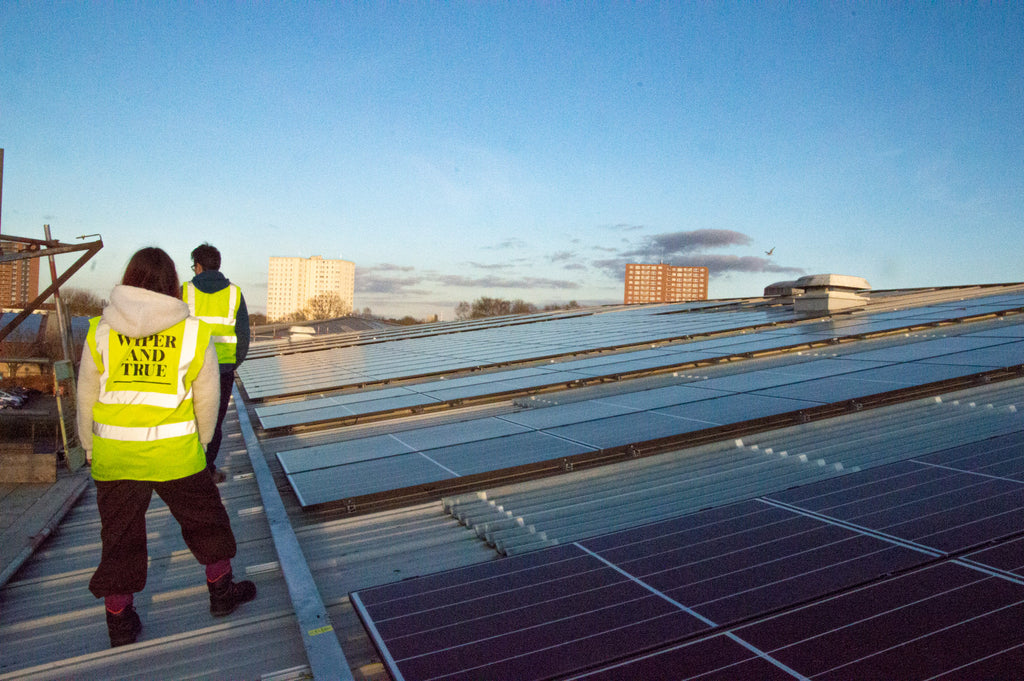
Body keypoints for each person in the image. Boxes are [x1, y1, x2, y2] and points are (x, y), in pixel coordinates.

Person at [77, 247, 256, 648]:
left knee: (119, 538)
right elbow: (207, 397)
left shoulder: (99, 331)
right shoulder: (192, 332)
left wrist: (90, 447)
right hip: (176, 454)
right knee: (206, 522)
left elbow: (86, 393)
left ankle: (120, 622)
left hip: (116, 456)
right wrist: (204, 441)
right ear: (173, 283)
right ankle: (222, 594)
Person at [182, 242, 250, 483]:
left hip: (190, 369)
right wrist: (231, 365)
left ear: (198, 267)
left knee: (188, 419)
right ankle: (206, 469)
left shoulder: (184, 291)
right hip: (222, 371)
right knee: (215, 421)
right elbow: (243, 336)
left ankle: (188, 468)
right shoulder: (234, 293)